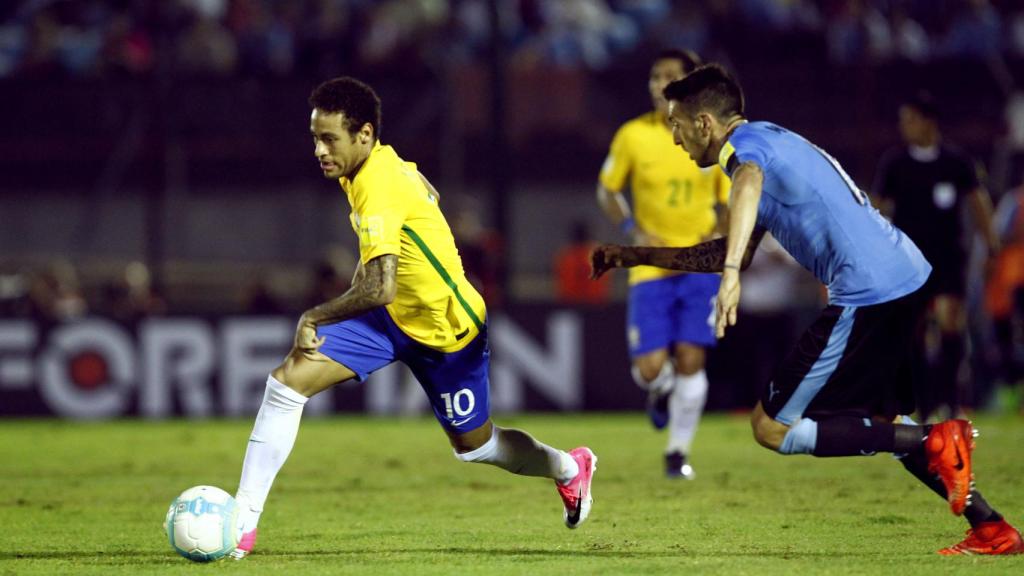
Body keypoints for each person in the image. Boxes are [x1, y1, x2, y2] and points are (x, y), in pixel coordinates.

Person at [590, 64, 1022, 555]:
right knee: (888, 420)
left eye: (677, 123)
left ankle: (932, 439)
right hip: (907, 275)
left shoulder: (744, 154)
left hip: (869, 290)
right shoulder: (771, 138)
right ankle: (991, 526)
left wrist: (732, 273)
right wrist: (634, 256)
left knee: (772, 427)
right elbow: (728, 247)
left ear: (705, 124)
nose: (674, 137)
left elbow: (747, 184)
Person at [230, 77, 597, 559]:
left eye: (329, 139)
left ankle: (569, 469)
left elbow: (378, 285)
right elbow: (421, 191)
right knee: (286, 384)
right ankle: (242, 523)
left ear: (363, 134)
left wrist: (315, 315)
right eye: (315, 137)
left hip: (447, 330)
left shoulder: (377, 184)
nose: (319, 149)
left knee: (477, 447)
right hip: (386, 319)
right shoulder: (372, 163)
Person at [596, 48, 729, 479]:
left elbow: (732, 195)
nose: (658, 84)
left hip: (697, 264)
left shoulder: (711, 133)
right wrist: (634, 229)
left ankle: (677, 454)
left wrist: (720, 232)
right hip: (651, 265)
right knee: (650, 369)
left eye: (669, 76)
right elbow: (607, 190)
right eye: (654, 76)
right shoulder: (633, 135)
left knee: (692, 357)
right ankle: (661, 389)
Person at [873, 91, 1001, 420]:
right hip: (908, 259)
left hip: (947, 257)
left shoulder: (957, 161)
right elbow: (878, 209)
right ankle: (925, 403)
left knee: (949, 322)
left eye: (911, 120)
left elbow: (979, 203)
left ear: (930, 122)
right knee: (912, 330)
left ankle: (950, 400)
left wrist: (991, 246)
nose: (905, 126)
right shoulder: (895, 163)